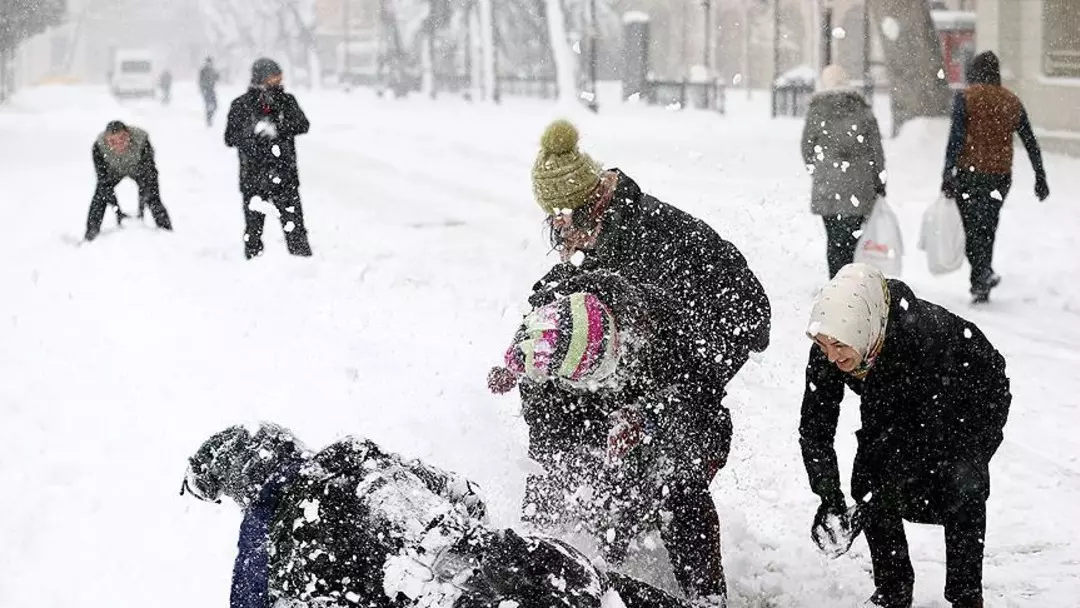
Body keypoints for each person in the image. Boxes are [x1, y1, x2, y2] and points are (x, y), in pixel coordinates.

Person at [181, 422, 693, 608]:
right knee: (596, 587)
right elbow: (468, 496)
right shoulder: (354, 453)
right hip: (526, 561)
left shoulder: (275, 558)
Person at [488, 271, 733, 607]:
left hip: (670, 419)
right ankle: (610, 572)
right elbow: (546, 459)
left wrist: (646, 418)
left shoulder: (664, 326)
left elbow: (703, 403)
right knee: (590, 490)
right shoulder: (541, 354)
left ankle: (707, 597)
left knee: (676, 482)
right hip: (586, 415)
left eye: (605, 371)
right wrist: (539, 541)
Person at [799, 263, 1011, 608]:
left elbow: (908, 438)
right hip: (905, 404)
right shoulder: (834, 340)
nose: (831, 356)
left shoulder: (919, 336)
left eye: (838, 346)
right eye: (823, 345)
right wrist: (828, 495)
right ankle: (893, 590)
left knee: (961, 484)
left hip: (968, 398)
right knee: (869, 479)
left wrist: (974, 454)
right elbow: (814, 427)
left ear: (863, 330)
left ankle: (966, 595)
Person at [941, 50, 1050, 304]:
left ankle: (981, 275)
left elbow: (956, 138)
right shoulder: (1011, 101)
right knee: (987, 226)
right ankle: (983, 277)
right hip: (999, 177)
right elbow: (1030, 141)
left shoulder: (966, 98)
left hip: (969, 175)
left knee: (972, 229)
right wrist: (1040, 175)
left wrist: (947, 172)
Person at [800, 65, 887, 278]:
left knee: (834, 238)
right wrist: (879, 180)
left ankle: (835, 282)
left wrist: (819, 170)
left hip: (828, 185)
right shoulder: (862, 109)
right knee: (851, 240)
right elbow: (876, 150)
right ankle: (849, 280)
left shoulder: (817, 110)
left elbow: (806, 147)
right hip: (860, 184)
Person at [225, 58, 312, 259]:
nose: (278, 81)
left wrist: (278, 129)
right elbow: (230, 137)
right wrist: (252, 133)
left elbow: (303, 124)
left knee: (295, 229)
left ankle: (303, 268)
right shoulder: (241, 105)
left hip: (285, 175)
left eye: (279, 76)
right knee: (254, 230)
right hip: (253, 177)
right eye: (274, 77)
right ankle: (255, 269)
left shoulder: (287, 101)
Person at [85, 120, 173, 241]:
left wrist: (141, 208)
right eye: (113, 141)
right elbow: (103, 181)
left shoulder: (142, 140)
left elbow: (149, 174)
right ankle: (90, 235)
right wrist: (118, 211)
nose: (119, 144)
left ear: (128, 134)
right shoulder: (98, 147)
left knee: (152, 196)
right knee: (100, 196)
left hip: (138, 168)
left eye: (122, 138)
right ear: (106, 141)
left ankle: (167, 232)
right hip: (113, 171)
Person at [199, 57, 220, 127]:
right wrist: (203, 90)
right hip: (206, 90)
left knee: (215, 105)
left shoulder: (213, 70)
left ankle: (209, 118)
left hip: (211, 90)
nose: (209, 64)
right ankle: (208, 119)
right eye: (208, 62)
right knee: (209, 105)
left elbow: (217, 78)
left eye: (210, 62)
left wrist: (217, 75)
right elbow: (200, 81)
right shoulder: (203, 70)